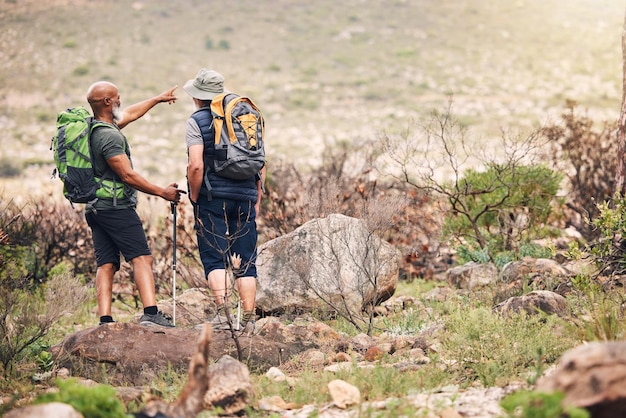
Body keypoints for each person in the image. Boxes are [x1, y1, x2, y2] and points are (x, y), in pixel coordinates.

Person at [85, 81, 184, 327]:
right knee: (141, 258)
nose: (120, 101)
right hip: (116, 207)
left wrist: (157, 99)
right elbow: (127, 175)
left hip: (95, 207)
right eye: (117, 97)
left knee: (106, 263)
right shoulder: (109, 137)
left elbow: (129, 113)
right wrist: (163, 192)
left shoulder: (95, 128)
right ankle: (151, 313)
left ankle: (105, 320)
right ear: (107, 102)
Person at [183, 69, 264, 332]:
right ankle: (249, 320)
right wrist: (257, 199)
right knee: (246, 258)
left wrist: (195, 197)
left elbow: (195, 165)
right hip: (246, 196)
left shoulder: (197, 121)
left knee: (215, 257)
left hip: (212, 197)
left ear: (197, 97)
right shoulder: (245, 116)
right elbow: (261, 162)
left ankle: (223, 317)